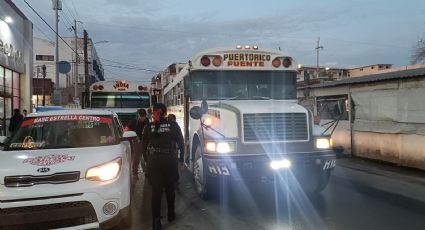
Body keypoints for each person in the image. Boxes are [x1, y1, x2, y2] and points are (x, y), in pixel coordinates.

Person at [141, 103, 184, 230]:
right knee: (170, 189)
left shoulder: (149, 127)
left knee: (156, 192)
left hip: (154, 162)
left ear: (154, 113)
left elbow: (143, 147)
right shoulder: (173, 125)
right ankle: (171, 214)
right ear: (165, 113)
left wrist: (147, 160)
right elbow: (181, 143)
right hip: (170, 161)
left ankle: (156, 222)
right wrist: (181, 160)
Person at [127, 108, 150, 179]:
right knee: (137, 157)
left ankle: (147, 172)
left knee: (147, 156)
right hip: (137, 141)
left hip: (146, 141)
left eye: (144, 116)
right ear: (138, 116)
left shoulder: (147, 121)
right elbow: (127, 129)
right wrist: (134, 137)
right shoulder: (134, 121)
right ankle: (135, 173)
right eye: (141, 116)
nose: (143, 118)